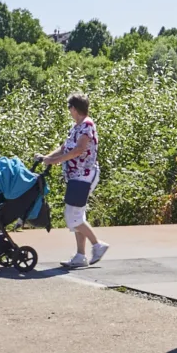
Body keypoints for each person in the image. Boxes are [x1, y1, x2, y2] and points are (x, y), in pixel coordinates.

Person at [37, 93, 108, 268]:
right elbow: (64, 148)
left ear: (74, 108)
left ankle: (98, 245)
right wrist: (46, 157)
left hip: (84, 176)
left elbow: (78, 150)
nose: (69, 111)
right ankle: (80, 256)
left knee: (72, 217)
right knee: (78, 215)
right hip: (76, 176)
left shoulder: (87, 126)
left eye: (69, 108)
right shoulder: (76, 127)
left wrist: (53, 161)